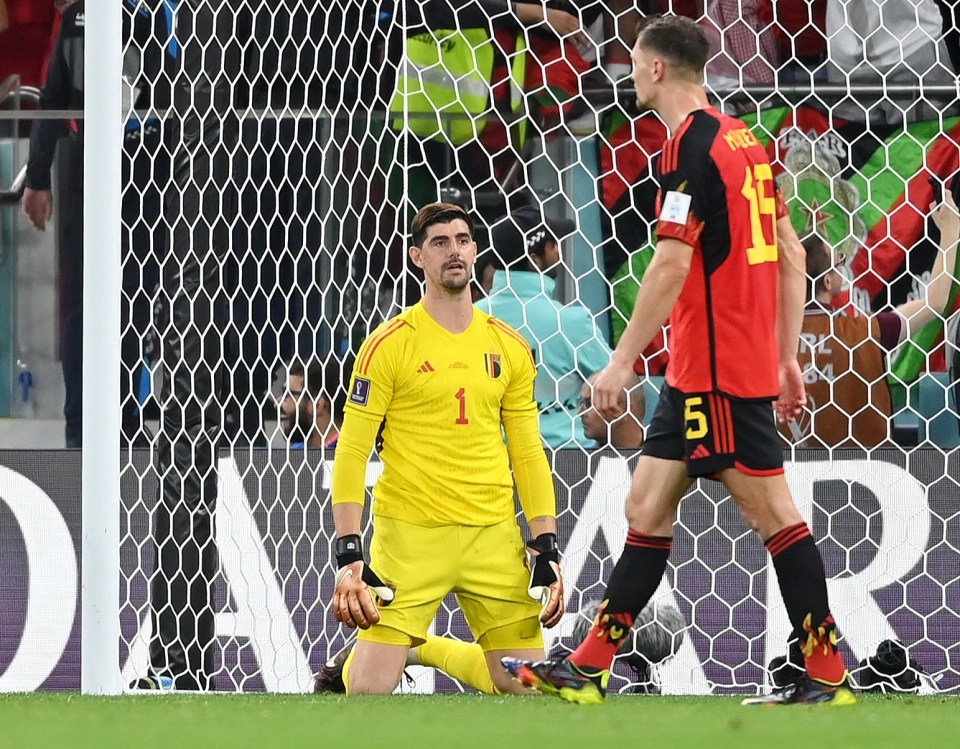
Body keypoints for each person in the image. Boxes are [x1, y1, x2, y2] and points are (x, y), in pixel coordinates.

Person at [502, 15, 855, 707]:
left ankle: (827, 669)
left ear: (657, 69)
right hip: (714, 366)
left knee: (775, 516)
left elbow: (669, 261)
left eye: (633, 61)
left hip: (716, 372)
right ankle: (590, 666)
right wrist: (786, 357)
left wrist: (621, 363)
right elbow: (789, 253)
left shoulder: (687, 148)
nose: (629, 72)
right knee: (645, 504)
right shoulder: (745, 139)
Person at [329, 202, 564, 695]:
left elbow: (527, 452)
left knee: (526, 689)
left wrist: (546, 544)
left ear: (476, 251)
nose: (453, 250)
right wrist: (349, 553)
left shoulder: (510, 346)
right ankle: (391, 652)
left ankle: (425, 648)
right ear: (417, 257)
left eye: (461, 239)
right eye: (439, 243)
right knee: (367, 694)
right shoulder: (388, 345)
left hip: (492, 537)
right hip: (411, 538)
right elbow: (352, 451)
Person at [785, 195, 960, 448]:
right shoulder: (866, 333)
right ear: (828, 282)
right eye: (839, 263)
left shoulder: (769, 339)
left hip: (784, 476)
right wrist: (950, 233)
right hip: (866, 477)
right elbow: (935, 303)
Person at [476, 206, 612, 449]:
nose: (559, 253)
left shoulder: (470, 319)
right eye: (553, 245)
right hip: (569, 462)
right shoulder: (572, 322)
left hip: (490, 461)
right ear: (535, 258)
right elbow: (617, 389)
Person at [279, 356, 352, 450]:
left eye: (287, 394)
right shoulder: (295, 453)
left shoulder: (351, 457)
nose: (278, 402)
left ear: (317, 405)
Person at [579, 371, 645, 450]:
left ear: (624, 409)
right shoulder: (579, 460)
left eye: (589, 404)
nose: (580, 413)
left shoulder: (660, 457)